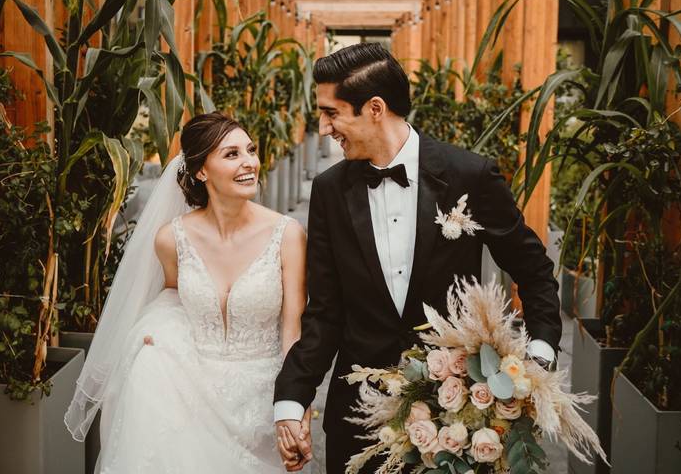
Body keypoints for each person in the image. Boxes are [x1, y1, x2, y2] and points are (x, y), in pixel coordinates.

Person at [273, 43, 562, 473]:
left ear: (374, 108)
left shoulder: (469, 175)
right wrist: (292, 398)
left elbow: (533, 269)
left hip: (457, 408)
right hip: (359, 413)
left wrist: (539, 353)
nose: (323, 126)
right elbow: (326, 310)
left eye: (331, 112)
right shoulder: (330, 190)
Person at [65, 112, 310, 473]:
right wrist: (155, 336)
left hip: (261, 393)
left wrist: (294, 407)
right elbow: (172, 297)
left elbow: (293, 332)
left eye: (250, 150)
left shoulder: (287, 235)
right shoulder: (171, 238)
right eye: (231, 154)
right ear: (200, 171)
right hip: (190, 386)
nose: (249, 163)